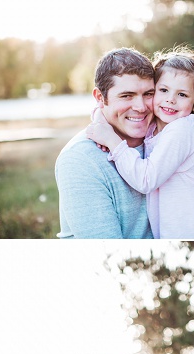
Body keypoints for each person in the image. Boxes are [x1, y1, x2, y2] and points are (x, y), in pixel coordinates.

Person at [85, 47, 194, 239]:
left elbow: (146, 180)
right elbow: (104, 104)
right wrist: (100, 123)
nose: (170, 100)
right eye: (163, 90)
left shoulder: (183, 129)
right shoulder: (155, 124)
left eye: (182, 95)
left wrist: (112, 141)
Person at [55, 48, 155, 239]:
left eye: (148, 94)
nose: (141, 107)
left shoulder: (162, 141)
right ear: (100, 98)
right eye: (127, 96)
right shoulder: (80, 159)